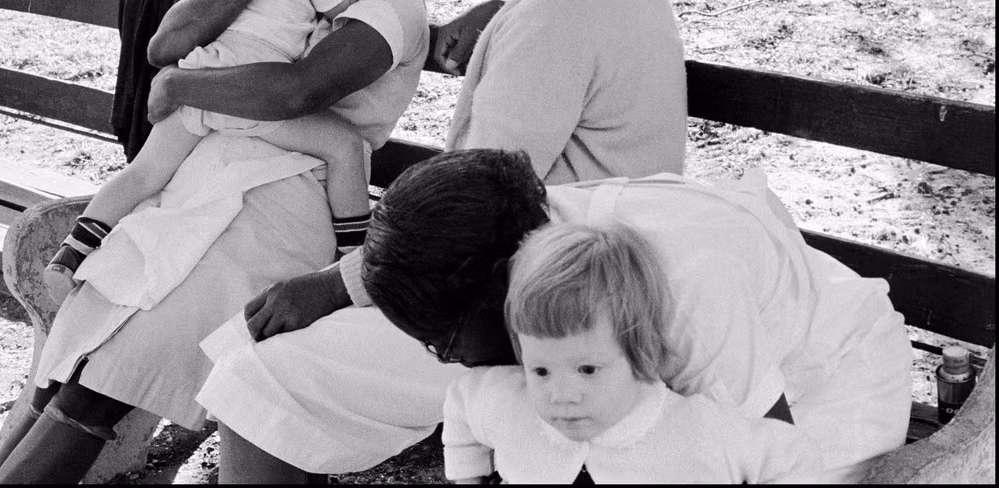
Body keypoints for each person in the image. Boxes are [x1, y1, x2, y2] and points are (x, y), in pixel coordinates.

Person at [190, 0, 689, 483]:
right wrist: (503, 18)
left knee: (259, 375)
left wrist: (335, 285)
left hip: (534, 306)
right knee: (258, 354)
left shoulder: (551, 18)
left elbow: (474, 210)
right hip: (596, 270)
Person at [0, 0, 429, 484]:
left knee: (113, 370)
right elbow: (162, 43)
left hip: (285, 202)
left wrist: (184, 86)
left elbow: (297, 90)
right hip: (194, 182)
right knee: (78, 348)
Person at [363, 149, 914, 483]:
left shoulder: (684, 286)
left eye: (446, 342)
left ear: (498, 283)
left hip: (827, 380)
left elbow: (767, 459)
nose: (456, 362)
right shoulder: (530, 233)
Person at [43, 0, 371, 305]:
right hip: (251, 94)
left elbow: (193, 4)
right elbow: (345, 8)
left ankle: (69, 254)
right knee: (345, 147)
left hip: (199, 77)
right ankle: (355, 260)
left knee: (143, 174)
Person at [443, 219, 823, 484]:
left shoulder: (698, 431)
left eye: (587, 370)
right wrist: (467, 475)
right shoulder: (510, 407)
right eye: (540, 370)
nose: (561, 395)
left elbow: (794, 458)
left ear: (638, 352)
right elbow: (462, 403)